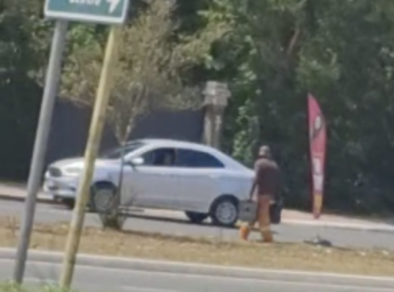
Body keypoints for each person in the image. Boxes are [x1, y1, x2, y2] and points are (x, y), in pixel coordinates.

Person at [239, 145, 281, 243]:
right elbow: (277, 182)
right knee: (264, 217)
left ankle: (243, 236)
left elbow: (256, 179)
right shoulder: (274, 165)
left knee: (250, 215)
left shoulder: (259, 163)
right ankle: (267, 238)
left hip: (259, 193)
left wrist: (251, 193)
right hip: (269, 195)